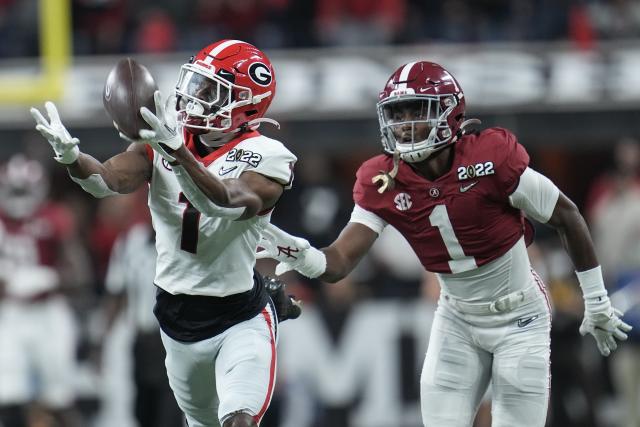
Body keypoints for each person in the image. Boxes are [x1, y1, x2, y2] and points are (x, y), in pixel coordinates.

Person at [256, 61, 632, 427]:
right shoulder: (382, 178)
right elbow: (338, 262)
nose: (404, 126)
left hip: (520, 316)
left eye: (415, 111)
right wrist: (298, 252)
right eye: (396, 114)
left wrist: (596, 299)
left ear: (449, 112)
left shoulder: (491, 158)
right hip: (456, 318)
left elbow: (566, 215)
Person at [31, 39, 300, 427]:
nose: (195, 98)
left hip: (239, 313)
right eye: (196, 84)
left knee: (238, 420)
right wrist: (74, 160)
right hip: (176, 316)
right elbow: (108, 180)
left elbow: (224, 201)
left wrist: (176, 151)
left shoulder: (270, 155)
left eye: (211, 91)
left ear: (245, 104)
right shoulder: (167, 134)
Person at [0, 154, 87, 427]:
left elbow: (80, 273)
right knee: (8, 394)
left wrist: (50, 278)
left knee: (58, 395)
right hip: (10, 313)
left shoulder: (54, 217)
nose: (19, 198)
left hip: (49, 312)